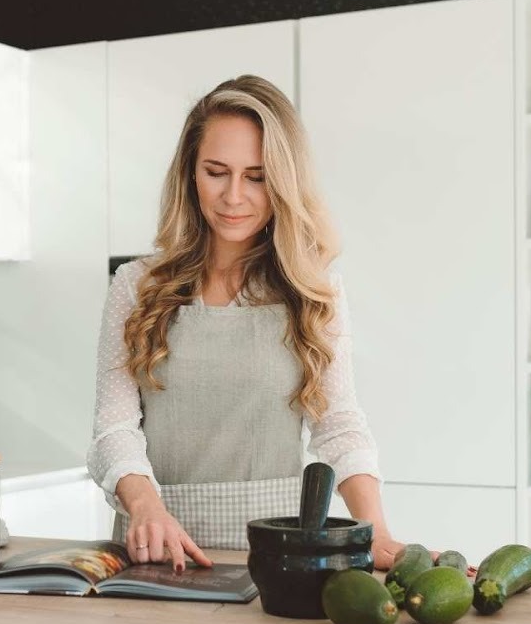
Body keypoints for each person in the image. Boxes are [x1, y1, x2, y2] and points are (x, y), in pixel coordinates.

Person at [87, 74, 420, 574]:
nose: (233, 196)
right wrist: (145, 506)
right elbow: (113, 427)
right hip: (156, 554)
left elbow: (338, 427)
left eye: (258, 176)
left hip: (280, 554)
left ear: (283, 181)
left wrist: (378, 535)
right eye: (216, 172)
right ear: (189, 174)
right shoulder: (135, 285)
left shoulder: (313, 288)